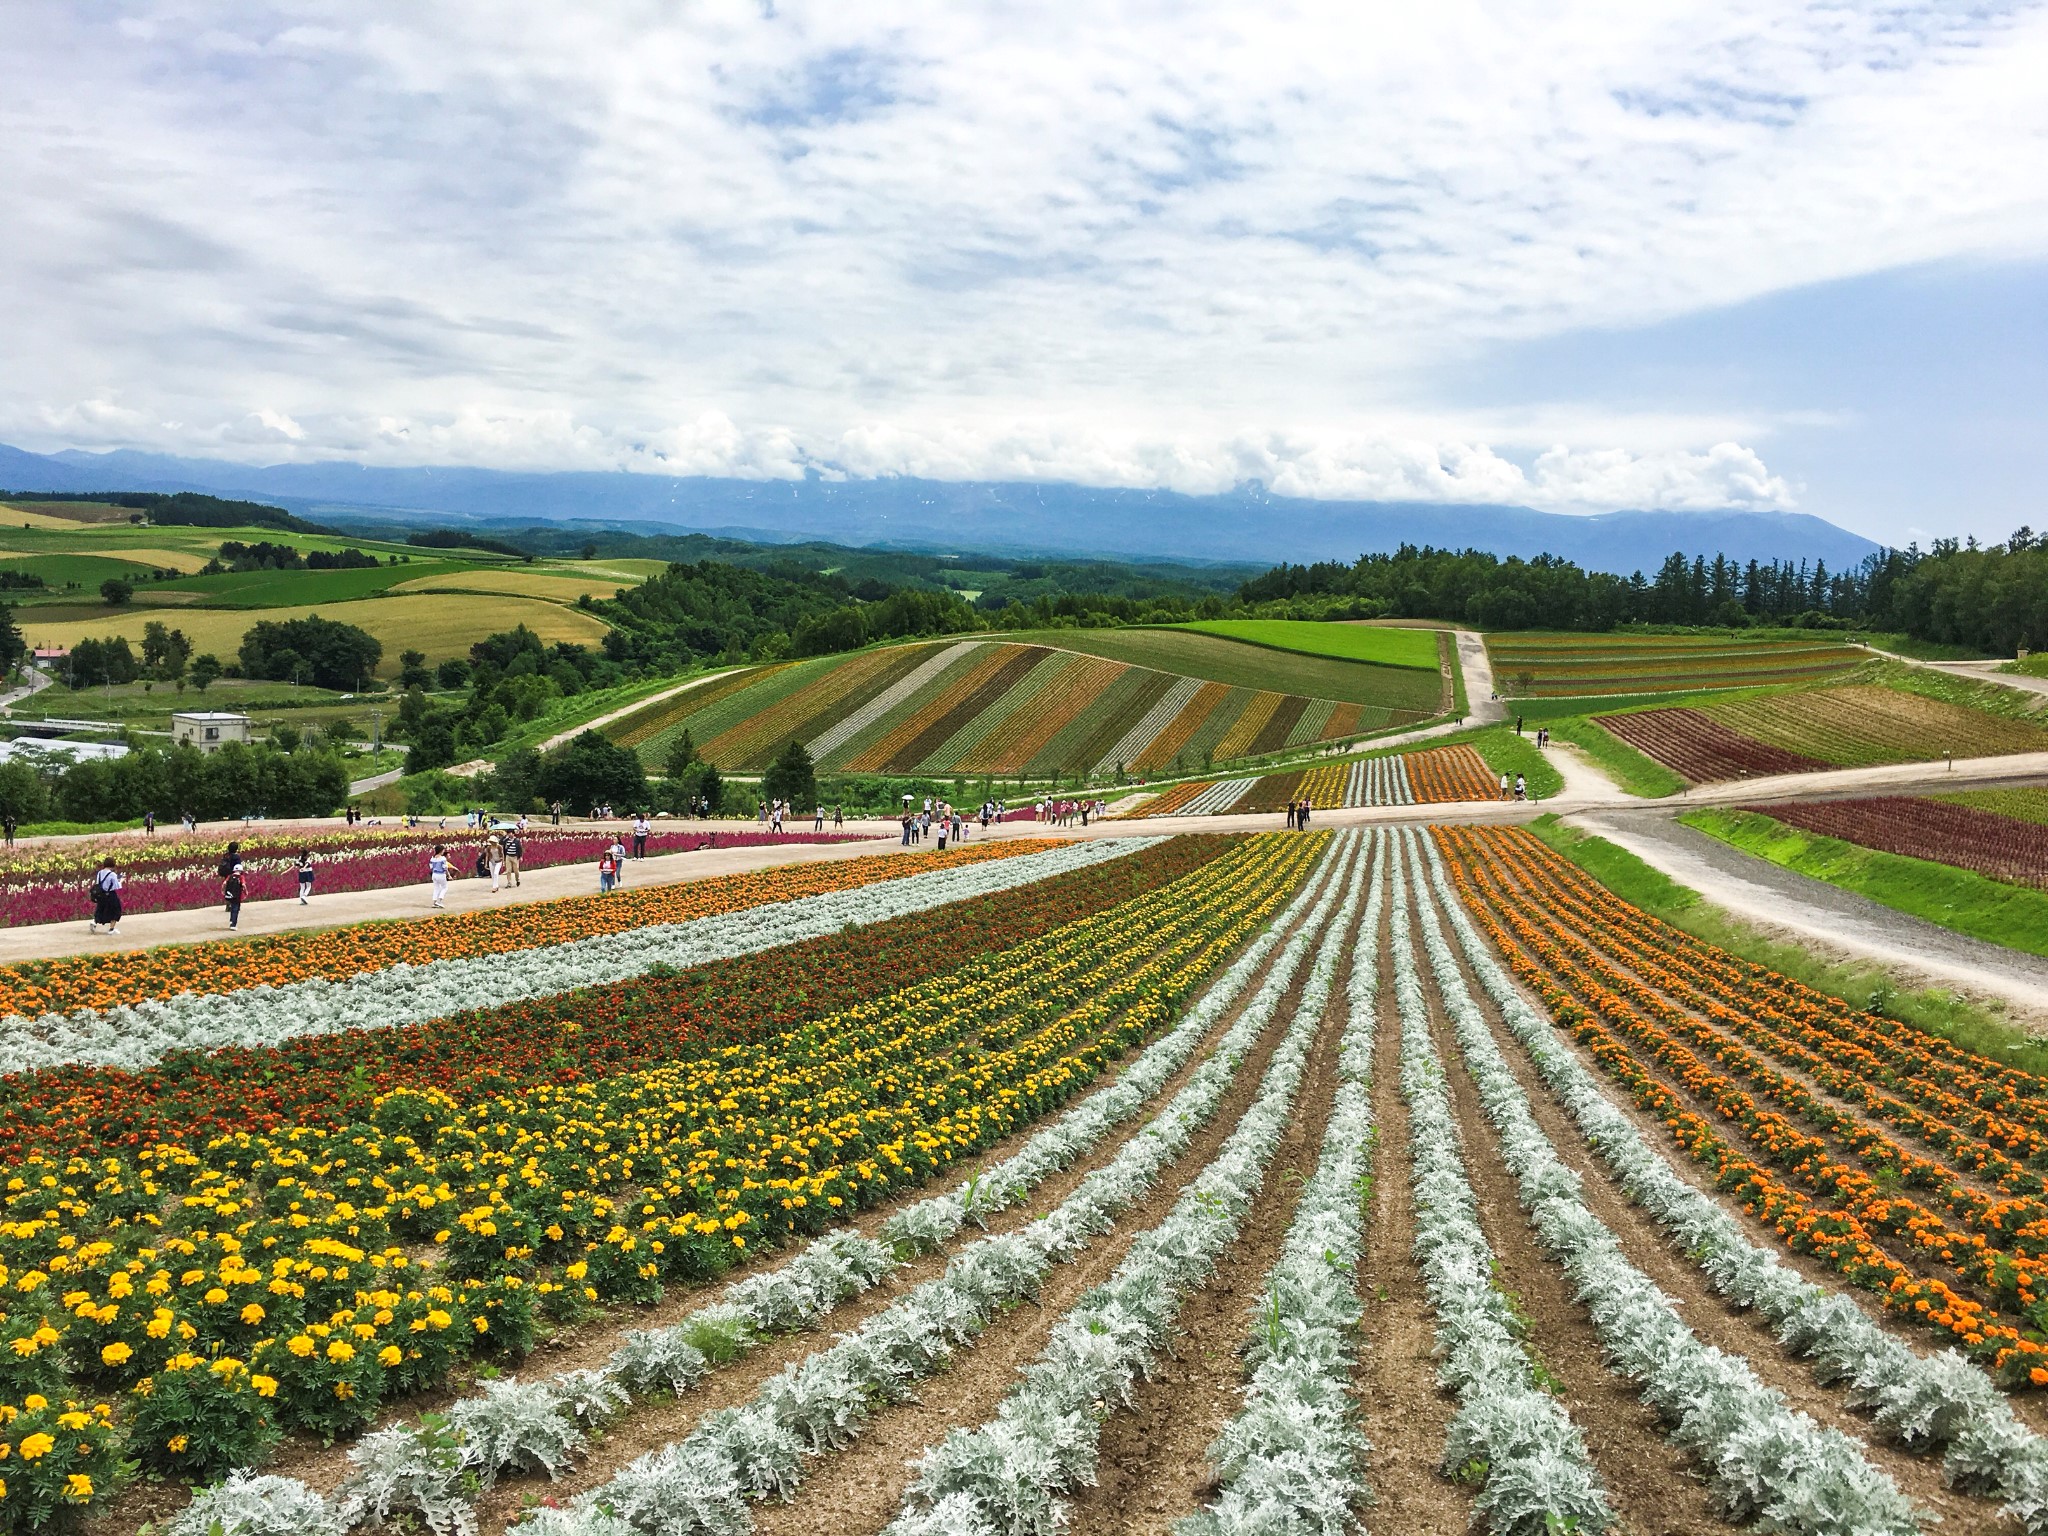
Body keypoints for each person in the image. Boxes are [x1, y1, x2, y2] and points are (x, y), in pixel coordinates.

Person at [89, 858, 123, 935]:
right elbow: (116, 886)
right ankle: (111, 929)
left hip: (101, 895)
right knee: (116, 910)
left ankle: (94, 922)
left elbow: (98, 883)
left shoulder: (100, 873)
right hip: (110, 895)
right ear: (113, 865)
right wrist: (121, 881)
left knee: (101, 909)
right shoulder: (112, 874)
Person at [223, 863, 245, 930]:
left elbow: (224, 883)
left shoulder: (230, 876)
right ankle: (233, 924)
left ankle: (231, 920)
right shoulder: (241, 877)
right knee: (236, 909)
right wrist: (246, 892)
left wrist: (223, 891)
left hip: (230, 895)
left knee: (232, 908)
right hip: (237, 896)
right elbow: (243, 885)